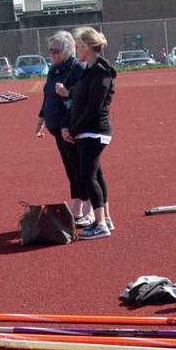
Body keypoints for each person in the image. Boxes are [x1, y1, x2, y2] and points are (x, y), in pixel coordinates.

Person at [62, 26, 116, 240]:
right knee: (95, 175)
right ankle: (106, 219)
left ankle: (100, 223)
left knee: (87, 176)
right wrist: (68, 126)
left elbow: (93, 108)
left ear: (86, 46)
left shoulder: (101, 74)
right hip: (86, 131)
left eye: (77, 46)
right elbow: (76, 103)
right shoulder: (89, 71)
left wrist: (73, 130)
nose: (75, 50)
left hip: (94, 131)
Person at [35, 30, 89, 224]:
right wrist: (41, 118)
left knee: (81, 169)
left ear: (67, 51)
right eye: (50, 51)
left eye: (56, 51)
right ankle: (77, 206)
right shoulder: (54, 69)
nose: (52, 54)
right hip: (56, 126)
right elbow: (48, 95)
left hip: (71, 127)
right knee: (71, 169)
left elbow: (77, 101)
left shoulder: (77, 69)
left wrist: (67, 125)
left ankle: (86, 209)